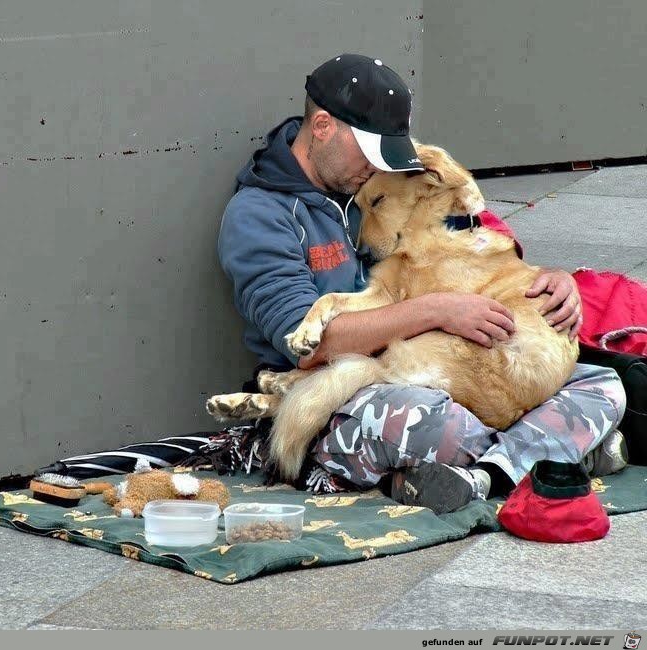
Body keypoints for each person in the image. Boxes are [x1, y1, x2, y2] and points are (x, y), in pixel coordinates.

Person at [217, 53, 628, 513]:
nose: (376, 169)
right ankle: (553, 452)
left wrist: (552, 281)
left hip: (450, 367)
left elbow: (477, 240)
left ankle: (484, 475)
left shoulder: (376, 175)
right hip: (340, 389)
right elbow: (308, 346)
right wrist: (437, 310)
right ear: (323, 127)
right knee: (431, 423)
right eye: (370, 154)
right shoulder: (260, 216)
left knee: (603, 382)